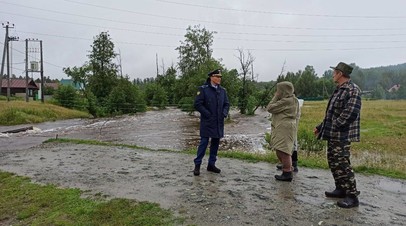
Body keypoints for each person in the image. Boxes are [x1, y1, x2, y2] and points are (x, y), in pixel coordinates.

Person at [314, 62, 361, 208]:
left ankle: (352, 196)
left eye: (334, 72)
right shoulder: (338, 90)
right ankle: (340, 189)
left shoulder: (353, 90)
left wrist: (335, 126)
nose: (333, 74)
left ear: (340, 73)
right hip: (332, 134)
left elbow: (351, 113)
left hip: (342, 135)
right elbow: (331, 113)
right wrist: (321, 127)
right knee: (333, 162)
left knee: (342, 163)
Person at [193, 69, 230, 176]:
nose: (219, 79)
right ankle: (197, 165)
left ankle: (211, 165)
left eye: (220, 77)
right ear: (211, 77)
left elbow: (227, 104)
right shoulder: (203, 89)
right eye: (217, 77)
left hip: (218, 121)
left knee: (215, 143)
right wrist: (207, 114)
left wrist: (224, 113)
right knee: (203, 143)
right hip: (207, 121)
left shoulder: (222, 91)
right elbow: (198, 104)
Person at [267, 81, 299, 182]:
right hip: (284, 127)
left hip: (284, 128)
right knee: (281, 149)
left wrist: (275, 97)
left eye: (278, 90)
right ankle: (288, 169)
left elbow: (270, 108)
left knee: (284, 150)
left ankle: (287, 172)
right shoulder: (294, 100)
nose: (277, 92)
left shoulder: (287, 101)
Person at [277, 98, 304, 172]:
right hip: (291, 124)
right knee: (292, 143)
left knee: (292, 144)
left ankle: (292, 165)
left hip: (291, 125)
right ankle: (290, 164)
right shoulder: (295, 101)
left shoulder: (293, 101)